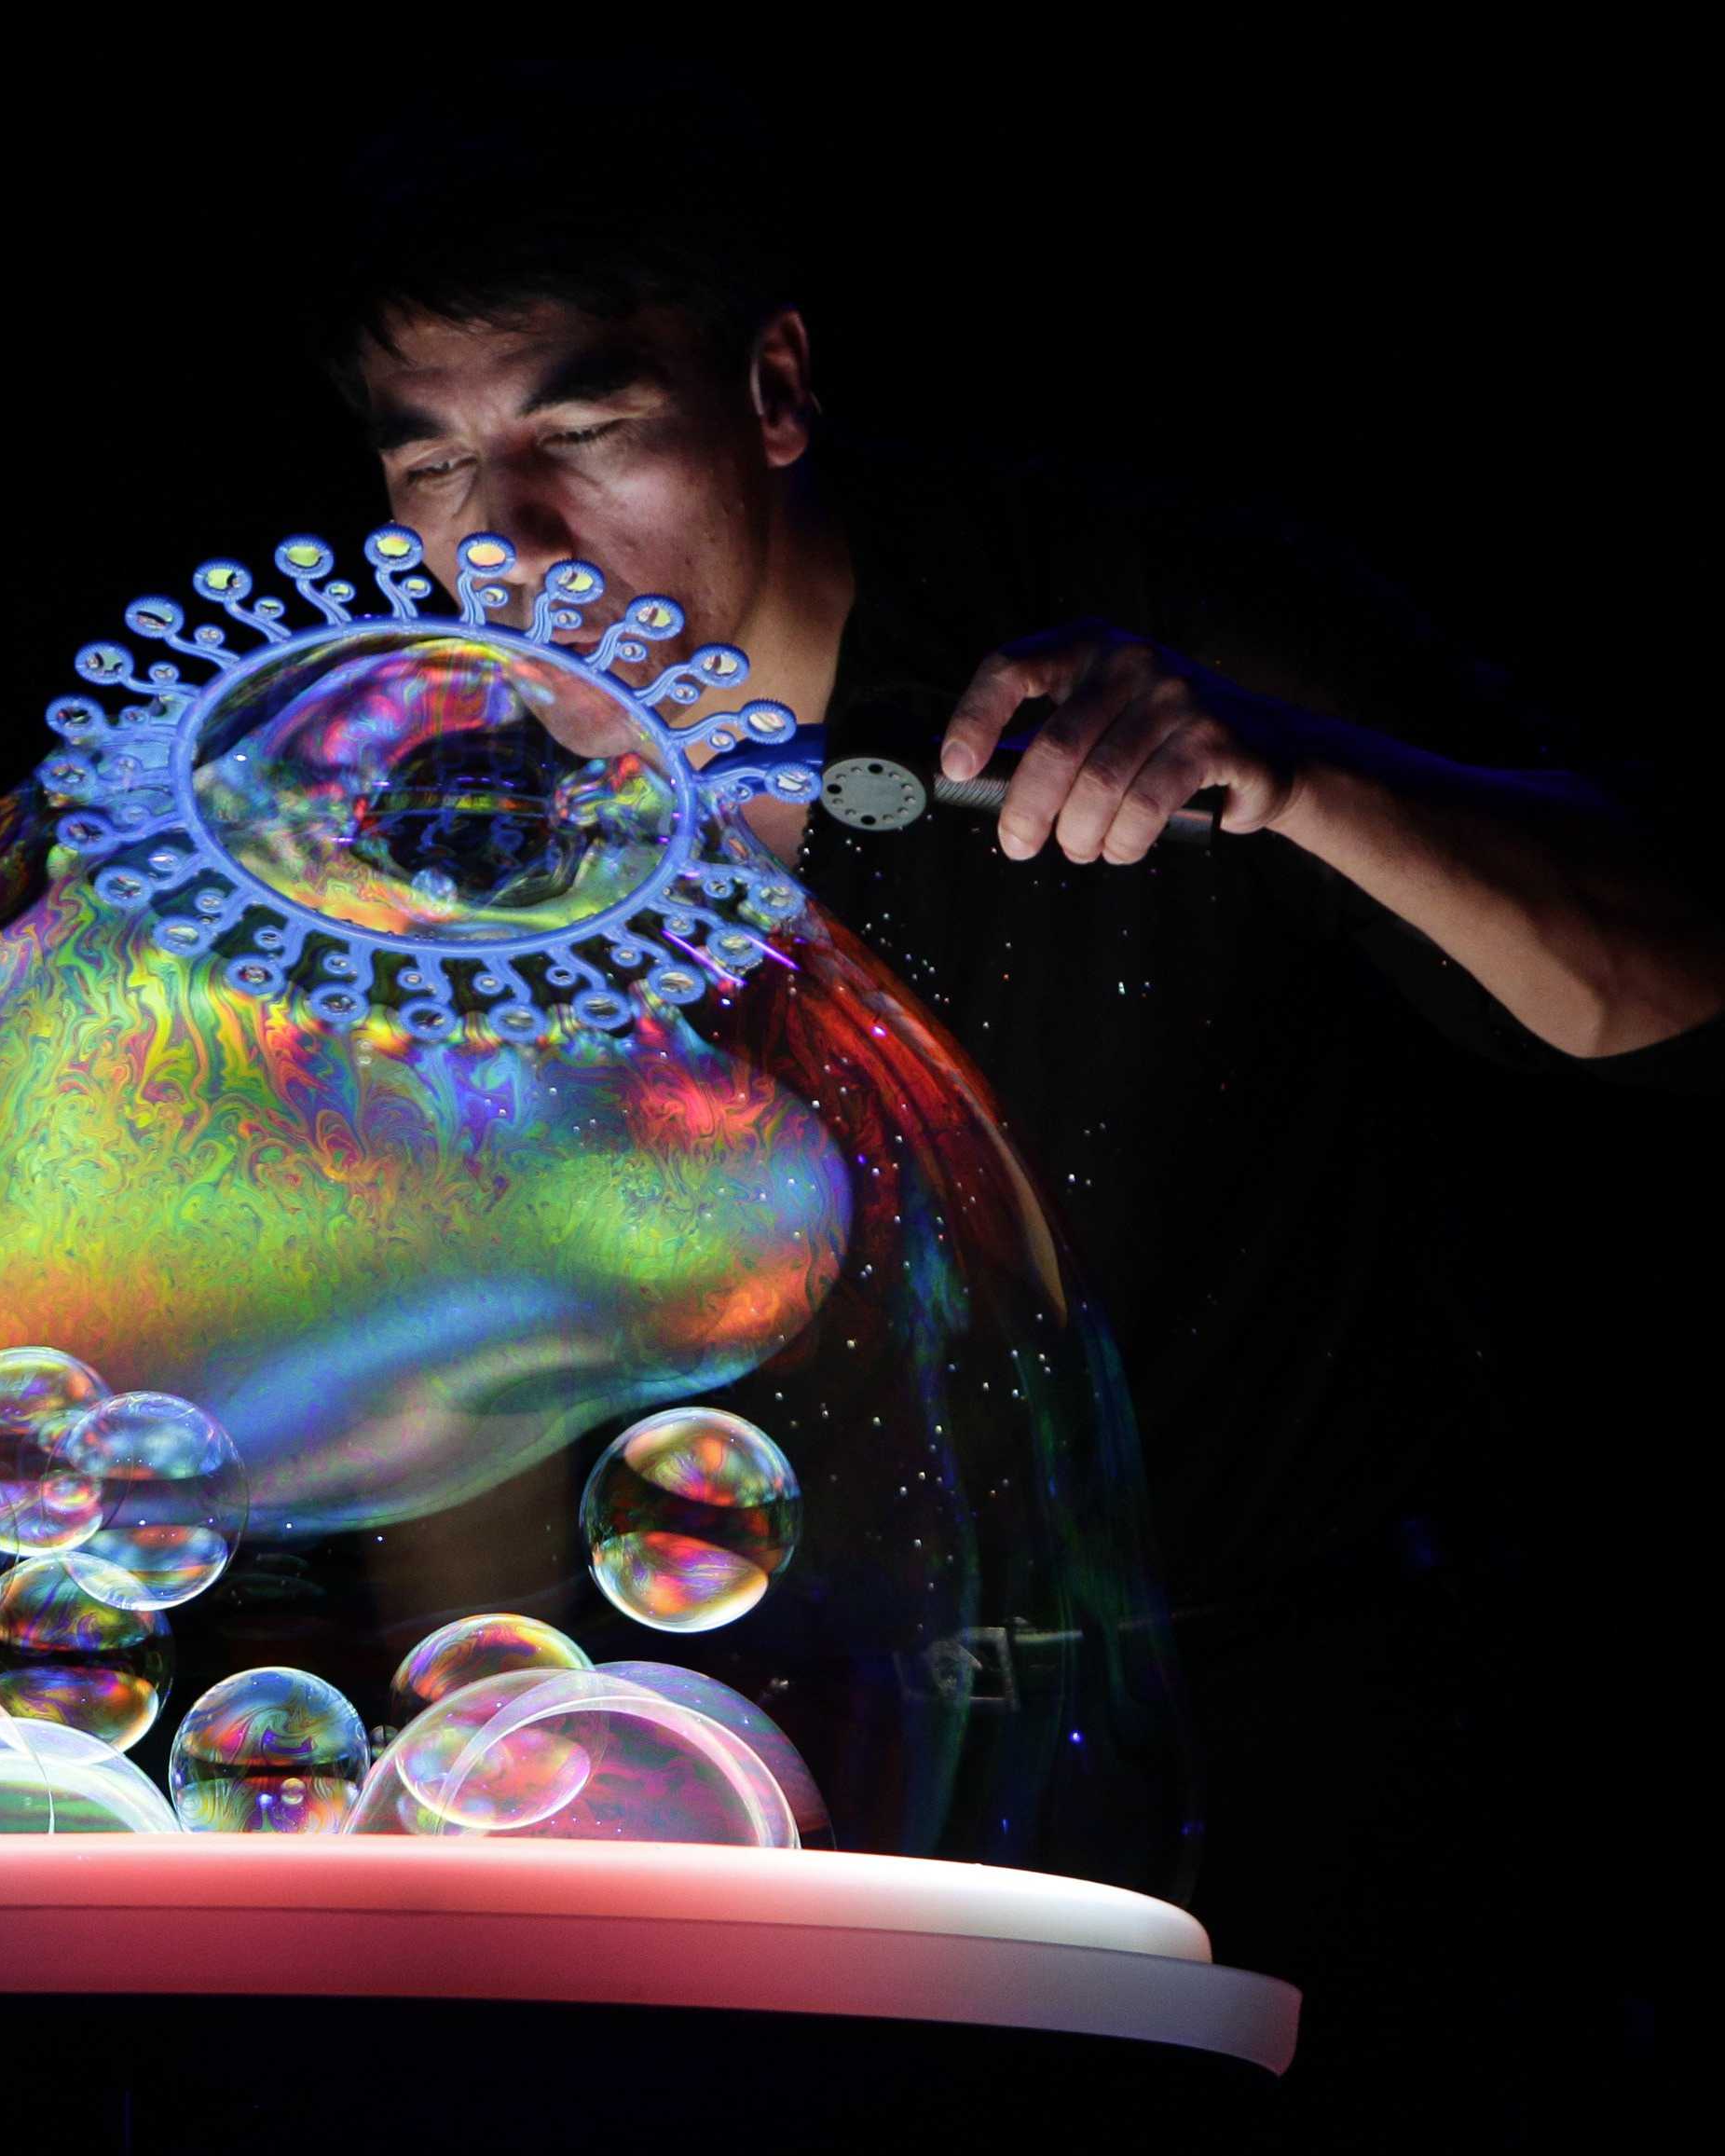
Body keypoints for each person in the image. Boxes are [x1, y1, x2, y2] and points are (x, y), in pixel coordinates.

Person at [292, 89, 1712, 2110]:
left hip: (1307, 1772)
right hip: (799, 1812)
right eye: (431, 462)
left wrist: (1299, 775)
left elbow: (1665, 989)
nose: (501, 542)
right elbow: (466, 1386)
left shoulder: (1128, 617)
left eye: (582, 430)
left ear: (775, 390)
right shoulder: (442, 826)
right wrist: (491, 1770)